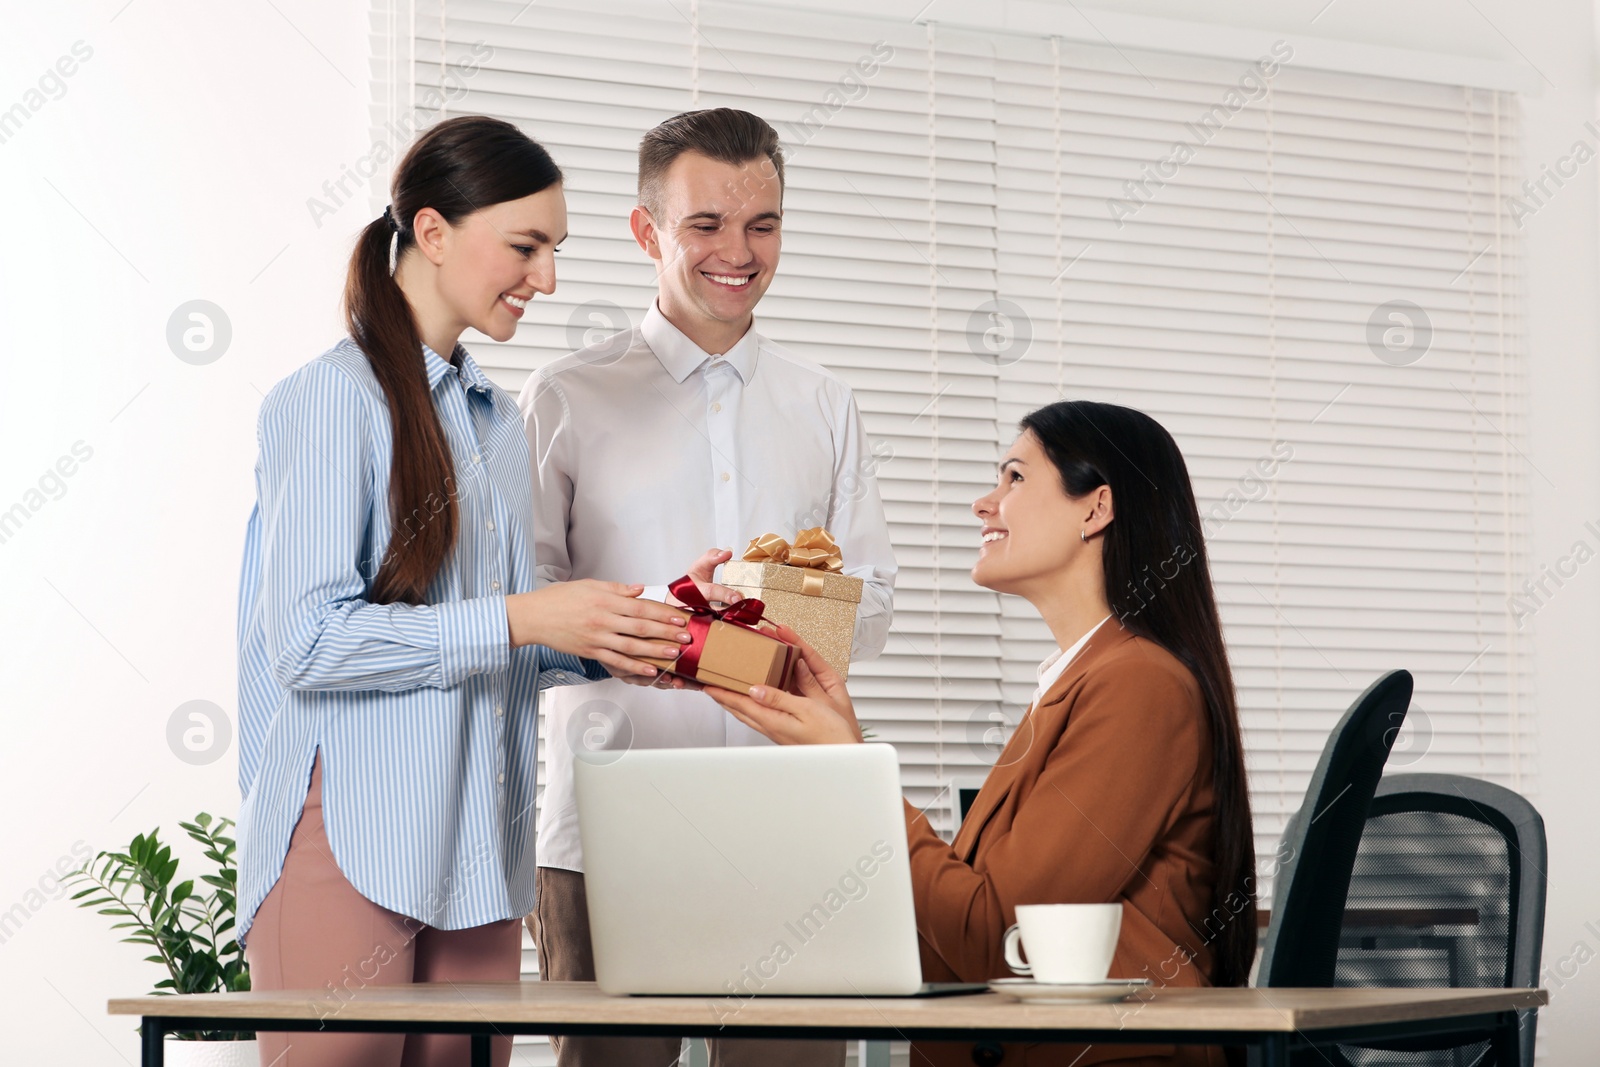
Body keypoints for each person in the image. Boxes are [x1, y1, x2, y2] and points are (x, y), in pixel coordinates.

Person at [235, 115, 703, 1067]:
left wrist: (618, 629)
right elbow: (307, 642)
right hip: (350, 838)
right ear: (434, 230)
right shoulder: (330, 400)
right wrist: (526, 615)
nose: (548, 279)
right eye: (526, 247)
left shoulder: (493, 419)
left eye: (556, 250)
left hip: (480, 852)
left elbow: (497, 637)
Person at [707, 401, 1257, 1067]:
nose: (983, 503)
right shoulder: (1081, 678)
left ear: (1096, 508)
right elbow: (965, 915)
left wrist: (852, 772)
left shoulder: (1139, 685)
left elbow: (995, 934)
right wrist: (839, 745)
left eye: (1015, 477)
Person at [518, 107, 896, 1067]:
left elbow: (875, 606)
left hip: (791, 824)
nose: (739, 251)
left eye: (762, 225)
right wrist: (671, 620)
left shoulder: (824, 403)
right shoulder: (566, 397)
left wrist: (766, 606)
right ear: (647, 232)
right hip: (609, 822)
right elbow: (520, 607)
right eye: (706, 226)